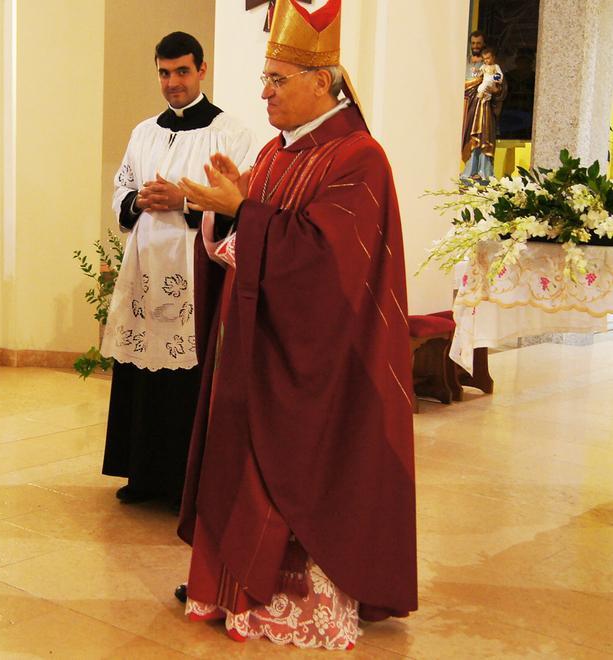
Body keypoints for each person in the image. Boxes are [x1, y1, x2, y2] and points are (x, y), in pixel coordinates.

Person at [175, 0, 417, 649]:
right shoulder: (278, 152)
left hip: (315, 366)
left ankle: (286, 600)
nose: (263, 93)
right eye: (264, 78)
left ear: (323, 81)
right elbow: (255, 240)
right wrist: (229, 211)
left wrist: (244, 210)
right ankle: (227, 586)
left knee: (289, 471)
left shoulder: (357, 158)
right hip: (255, 351)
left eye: (276, 80)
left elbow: (326, 266)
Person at [99, 31, 251, 509]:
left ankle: (188, 484)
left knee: (189, 376)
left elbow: (239, 204)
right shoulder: (144, 131)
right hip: (145, 267)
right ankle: (143, 474)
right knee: (143, 374)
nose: (172, 82)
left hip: (194, 270)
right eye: (164, 73)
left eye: (182, 71)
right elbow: (121, 187)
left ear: (201, 70)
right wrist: (137, 200)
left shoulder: (230, 133)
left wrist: (182, 202)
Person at [461, 46, 503, 180]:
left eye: (478, 43)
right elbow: (475, 79)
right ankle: (471, 170)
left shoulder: (495, 68)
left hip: (487, 109)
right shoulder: (482, 69)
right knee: (474, 137)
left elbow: (500, 82)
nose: (475, 46)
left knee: (485, 136)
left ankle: (485, 171)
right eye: (472, 43)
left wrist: (495, 88)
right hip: (475, 108)